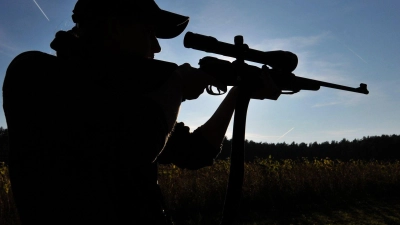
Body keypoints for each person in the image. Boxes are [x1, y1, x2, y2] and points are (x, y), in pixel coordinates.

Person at [2, 0, 281, 224]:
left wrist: (236, 94)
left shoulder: (131, 97)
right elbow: (132, 145)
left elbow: (197, 151)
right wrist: (177, 87)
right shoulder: (35, 73)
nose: (158, 47)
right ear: (116, 27)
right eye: (150, 33)